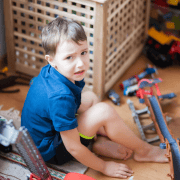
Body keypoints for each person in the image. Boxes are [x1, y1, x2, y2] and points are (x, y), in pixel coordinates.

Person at [21, 17, 168, 179]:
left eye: (83, 53)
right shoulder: (59, 96)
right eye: (69, 57)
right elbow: (73, 148)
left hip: (49, 131)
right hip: (52, 152)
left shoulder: (57, 71)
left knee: (90, 97)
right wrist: (104, 167)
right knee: (103, 111)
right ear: (52, 60)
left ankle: (98, 141)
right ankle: (144, 151)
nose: (80, 64)